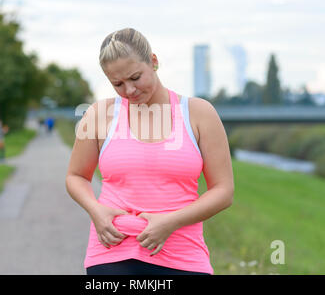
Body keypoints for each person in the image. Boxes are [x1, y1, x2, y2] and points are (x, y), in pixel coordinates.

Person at [65, 28, 234, 275]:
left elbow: (223, 191)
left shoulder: (199, 114)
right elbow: (76, 176)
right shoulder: (98, 115)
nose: (129, 91)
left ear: (153, 61)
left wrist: (171, 222)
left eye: (135, 77)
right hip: (112, 254)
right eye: (118, 84)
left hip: (182, 256)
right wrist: (96, 210)